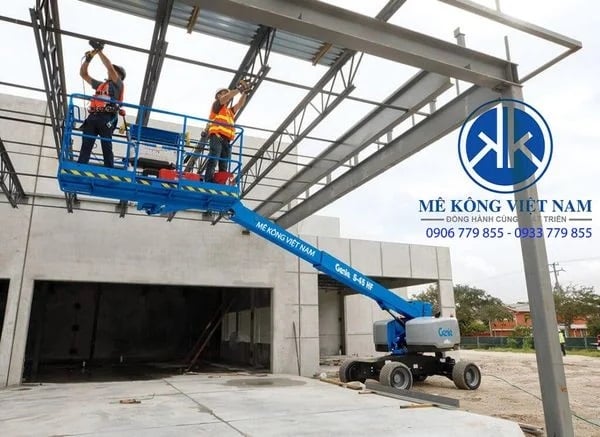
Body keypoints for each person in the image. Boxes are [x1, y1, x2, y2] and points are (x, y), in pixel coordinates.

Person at [77, 45, 126, 168]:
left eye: (115, 71)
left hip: (107, 117)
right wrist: (88, 60)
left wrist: (99, 51)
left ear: (119, 76)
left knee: (106, 146)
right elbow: (83, 74)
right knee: (86, 144)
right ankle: (81, 166)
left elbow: (109, 66)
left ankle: (109, 169)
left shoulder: (118, 85)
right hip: (93, 117)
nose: (110, 72)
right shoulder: (100, 85)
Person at [203, 80, 249, 183]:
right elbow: (226, 98)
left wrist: (245, 93)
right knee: (214, 158)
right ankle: (209, 180)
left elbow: (239, 104)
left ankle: (221, 181)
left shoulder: (229, 111)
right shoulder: (217, 105)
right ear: (218, 96)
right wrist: (239, 89)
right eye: (224, 93)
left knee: (224, 163)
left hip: (226, 140)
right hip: (217, 136)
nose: (227, 95)